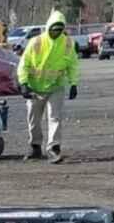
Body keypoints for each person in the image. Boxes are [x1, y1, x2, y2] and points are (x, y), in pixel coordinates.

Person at [17, 9, 80, 162]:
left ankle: (53, 148)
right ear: (48, 27)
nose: (56, 32)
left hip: (55, 87)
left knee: (54, 117)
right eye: (54, 29)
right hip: (35, 87)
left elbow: (72, 65)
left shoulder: (68, 44)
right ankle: (35, 147)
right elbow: (23, 64)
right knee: (34, 119)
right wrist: (23, 84)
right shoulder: (36, 42)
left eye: (60, 29)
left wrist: (73, 83)